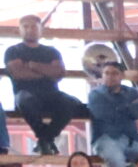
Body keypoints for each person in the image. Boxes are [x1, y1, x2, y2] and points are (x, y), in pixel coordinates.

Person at [6, 15, 84, 154]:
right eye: (25, 26)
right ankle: (47, 139)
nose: (29, 29)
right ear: (20, 30)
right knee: (25, 101)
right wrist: (47, 71)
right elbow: (19, 73)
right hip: (25, 94)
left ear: (41, 29)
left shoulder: (51, 51)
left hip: (51, 94)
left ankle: (45, 139)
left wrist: (33, 66)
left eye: (33, 26)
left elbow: (59, 73)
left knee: (71, 102)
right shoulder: (13, 51)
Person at [83, 56, 138, 167]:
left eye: (115, 73)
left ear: (122, 76)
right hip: (105, 139)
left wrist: (117, 107)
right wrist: (128, 105)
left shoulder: (133, 92)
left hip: (132, 139)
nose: (110, 76)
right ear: (102, 75)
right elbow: (103, 114)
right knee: (118, 163)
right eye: (106, 73)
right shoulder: (95, 94)